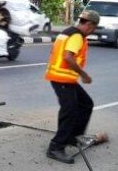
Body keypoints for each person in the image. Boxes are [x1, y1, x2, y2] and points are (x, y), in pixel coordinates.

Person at [44, 10, 102, 164]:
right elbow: (68, 57)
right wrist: (84, 74)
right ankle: (55, 147)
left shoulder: (68, 32)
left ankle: (73, 137)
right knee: (69, 111)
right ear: (89, 24)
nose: (93, 31)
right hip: (61, 78)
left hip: (64, 78)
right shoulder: (77, 36)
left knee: (85, 103)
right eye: (94, 27)